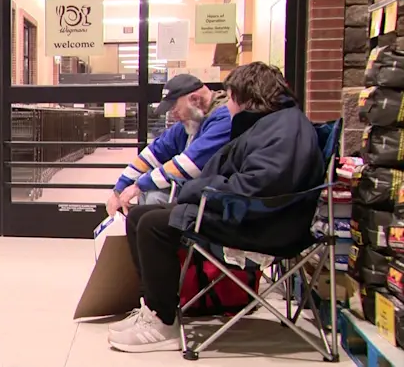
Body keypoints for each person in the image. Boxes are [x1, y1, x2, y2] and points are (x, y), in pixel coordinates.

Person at [107, 62, 325, 354]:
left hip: (260, 223)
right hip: (250, 213)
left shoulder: (283, 128)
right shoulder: (275, 124)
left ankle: (163, 321)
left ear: (248, 96)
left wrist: (198, 190)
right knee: (141, 216)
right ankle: (154, 311)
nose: (228, 106)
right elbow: (243, 177)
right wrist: (126, 185)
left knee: (152, 226)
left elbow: (259, 185)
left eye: (231, 97)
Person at [106, 74, 231, 213]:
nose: (173, 115)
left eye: (174, 108)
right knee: (148, 192)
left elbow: (190, 164)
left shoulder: (225, 118)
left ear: (195, 100)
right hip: (196, 190)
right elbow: (153, 153)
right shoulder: (193, 119)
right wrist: (120, 187)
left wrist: (139, 185)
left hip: (217, 198)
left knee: (154, 199)